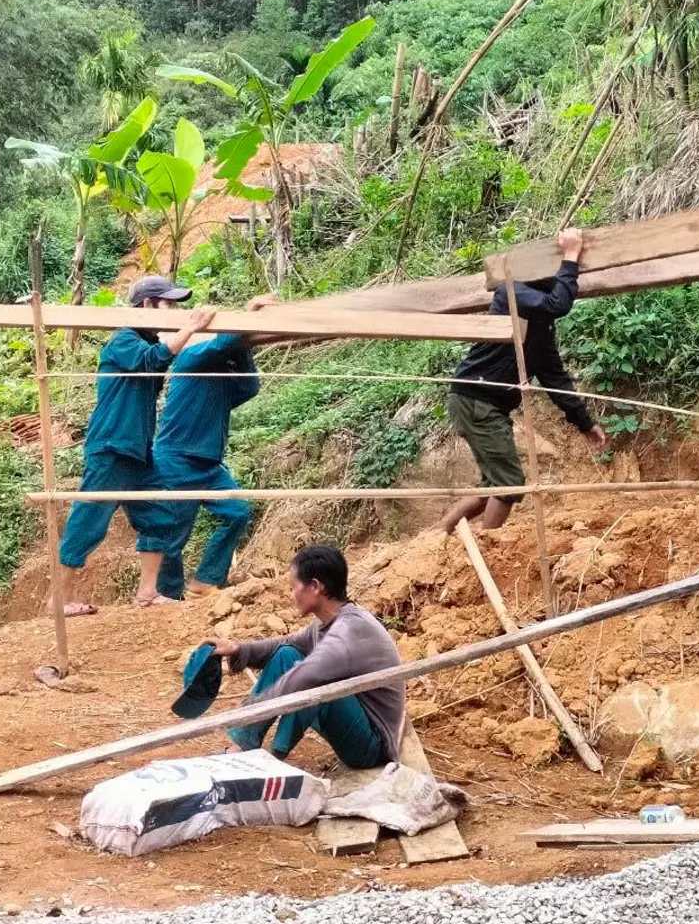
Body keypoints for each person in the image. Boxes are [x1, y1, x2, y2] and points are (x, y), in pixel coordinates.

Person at [56, 276, 215, 614]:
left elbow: (164, 355)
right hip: (112, 448)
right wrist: (190, 328)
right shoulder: (123, 340)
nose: (174, 310)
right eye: (168, 303)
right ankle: (59, 600)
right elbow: (152, 359)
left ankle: (146, 593)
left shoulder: (145, 343)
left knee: (160, 516)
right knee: (87, 522)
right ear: (147, 306)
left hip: (138, 453)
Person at [437, 227, 608, 533]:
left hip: (481, 402)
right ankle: (490, 546)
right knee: (509, 484)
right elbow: (558, 303)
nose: (564, 281)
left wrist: (585, 422)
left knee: (494, 483)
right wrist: (570, 256)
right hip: (476, 399)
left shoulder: (541, 328)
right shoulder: (511, 293)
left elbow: (555, 379)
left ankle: (440, 535)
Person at [206, 544, 404, 768]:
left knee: (313, 679)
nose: (291, 596)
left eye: (293, 587)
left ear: (315, 587)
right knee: (286, 654)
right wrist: (238, 649)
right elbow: (287, 645)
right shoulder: (327, 623)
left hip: (373, 747)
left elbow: (307, 676)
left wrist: (253, 706)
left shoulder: (350, 629)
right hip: (354, 723)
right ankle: (242, 746)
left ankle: (273, 759)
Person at [153, 294, 277, 601]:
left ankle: (205, 581)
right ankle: (167, 596)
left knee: (237, 512)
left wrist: (243, 348)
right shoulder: (188, 360)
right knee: (172, 536)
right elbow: (220, 344)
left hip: (209, 465)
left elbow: (250, 387)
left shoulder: (221, 378)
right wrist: (246, 315)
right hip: (176, 460)